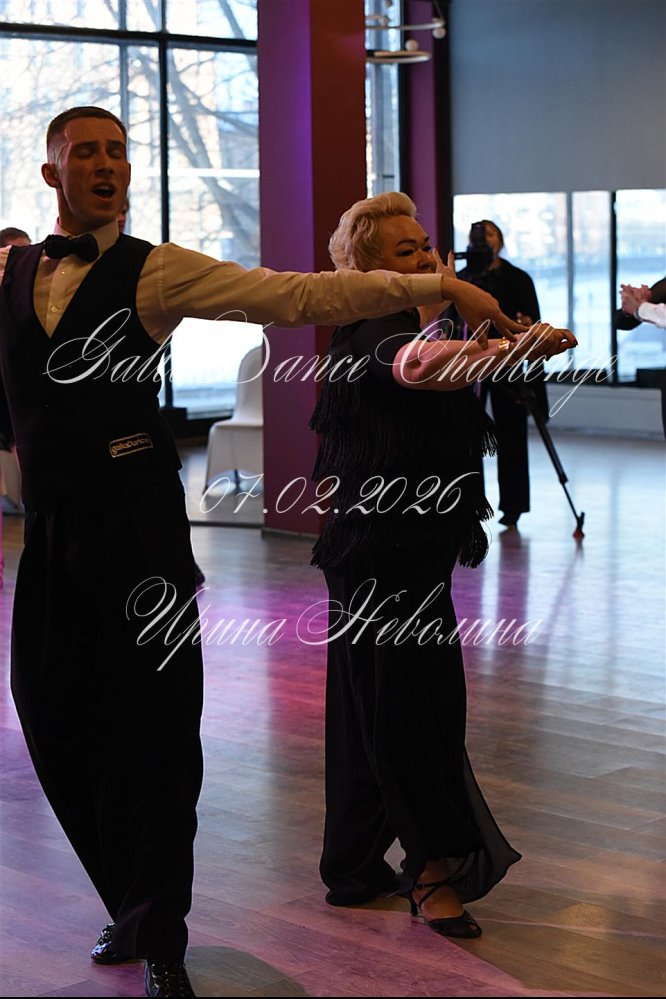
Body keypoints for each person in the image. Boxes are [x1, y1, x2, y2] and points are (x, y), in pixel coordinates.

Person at [0, 108, 522, 999]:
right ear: (52, 172)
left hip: (140, 532)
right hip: (51, 532)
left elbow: (297, 296)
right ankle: (128, 894)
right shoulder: (11, 272)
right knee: (48, 717)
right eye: (85, 152)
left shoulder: (154, 270)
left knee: (157, 735)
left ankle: (158, 925)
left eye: (118, 151)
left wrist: (443, 283)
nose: (106, 165)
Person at [310, 193, 575, 938]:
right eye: (407, 253)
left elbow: (441, 362)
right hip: (377, 553)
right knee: (407, 710)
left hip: (407, 551)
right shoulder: (375, 325)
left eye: (427, 246)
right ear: (370, 272)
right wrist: (510, 349)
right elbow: (421, 368)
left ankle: (352, 864)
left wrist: (505, 342)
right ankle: (430, 871)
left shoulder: (421, 325)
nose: (428, 260)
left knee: (373, 705)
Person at [454, 220, 547, 528]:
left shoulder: (518, 279)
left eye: (490, 234)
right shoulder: (462, 279)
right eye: (478, 236)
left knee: (512, 434)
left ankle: (514, 505)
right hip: (470, 364)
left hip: (508, 365)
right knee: (468, 437)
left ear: (501, 241)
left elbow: (534, 326)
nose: (484, 240)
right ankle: (469, 505)